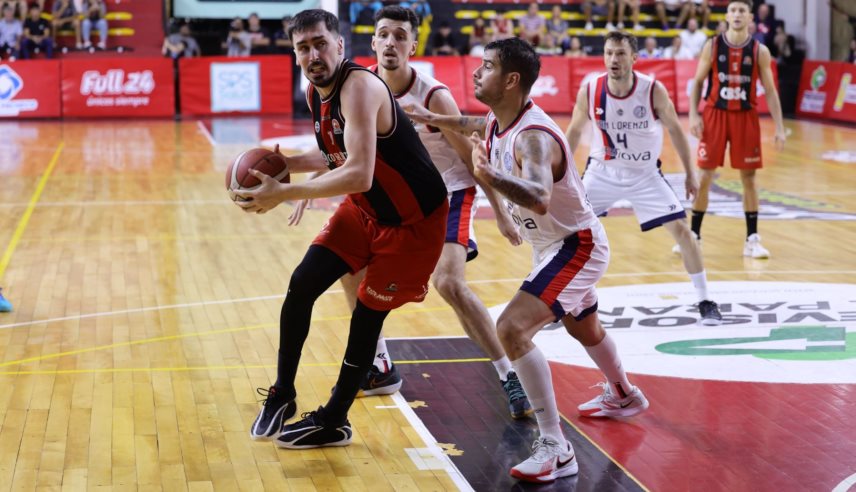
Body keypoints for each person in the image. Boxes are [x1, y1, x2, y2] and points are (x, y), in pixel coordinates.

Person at [406, 37, 648, 483]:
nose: (477, 72)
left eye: (487, 66)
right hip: (554, 244)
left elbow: (538, 197)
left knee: (512, 328)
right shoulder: (500, 119)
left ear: (511, 80)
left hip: (576, 246)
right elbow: (475, 124)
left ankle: (556, 446)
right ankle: (624, 393)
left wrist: (489, 175)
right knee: (584, 327)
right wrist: (435, 118)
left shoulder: (533, 138)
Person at [240, 9, 449, 449]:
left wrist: (286, 193)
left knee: (366, 317)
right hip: (365, 212)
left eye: (320, 44)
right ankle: (283, 393)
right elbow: (335, 151)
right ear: (295, 54)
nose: (313, 55)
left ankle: (335, 419)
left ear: (339, 45)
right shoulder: (314, 91)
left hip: (413, 224)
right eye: (303, 48)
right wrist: (288, 165)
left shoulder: (359, 88)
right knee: (302, 284)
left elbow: (359, 173)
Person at [341, 5, 531, 418]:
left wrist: (500, 211)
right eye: (384, 35)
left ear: (413, 45)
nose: (391, 43)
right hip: (400, 199)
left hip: (449, 193)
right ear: (372, 42)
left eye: (400, 36)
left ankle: (510, 374)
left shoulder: (432, 95)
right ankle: (379, 365)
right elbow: (346, 147)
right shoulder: (361, 86)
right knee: (348, 263)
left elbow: (470, 158)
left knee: (448, 283)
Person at [564, 31, 722, 325]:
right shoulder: (591, 89)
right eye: (609, 53)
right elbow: (573, 132)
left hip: (645, 175)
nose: (614, 59)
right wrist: (560, 173)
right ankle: (563, 297)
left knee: (683, 232)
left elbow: (676, 130)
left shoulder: (652, 90)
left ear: (634, 58)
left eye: (620, 53)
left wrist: (690, 173)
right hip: (602, 173)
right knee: (567, 232)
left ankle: (705, 299)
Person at [686, 0, 786, 258]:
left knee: (749, 179)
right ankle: (694, 235)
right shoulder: (712, 45)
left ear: (750, 17)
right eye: (733, 10)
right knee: (704, 176)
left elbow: (771, 91)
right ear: (727, 16)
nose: (737, 14)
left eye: (742, 10)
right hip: (715, 115)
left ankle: (752, 239)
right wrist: (694, 115)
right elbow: (697, 82)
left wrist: (779, 127)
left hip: (745, 116)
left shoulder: (759, 51)